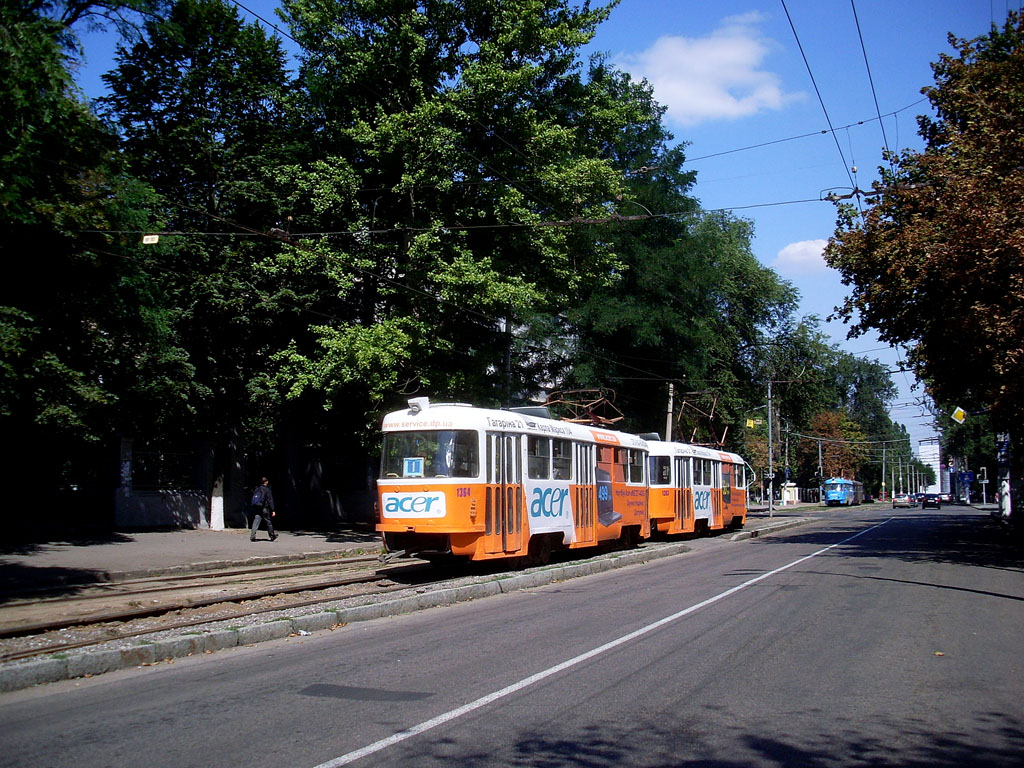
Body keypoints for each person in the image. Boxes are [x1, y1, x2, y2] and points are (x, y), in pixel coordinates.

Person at [249, 477, 277, 542]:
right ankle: (272, 535)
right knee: (268, 521)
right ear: (266, 482)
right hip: (264, 508)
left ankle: (252, 536)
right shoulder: (267, 490)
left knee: (256, 521)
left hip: (257, 507)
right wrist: (273, 510)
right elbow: (270, 501)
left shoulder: (257, 489)